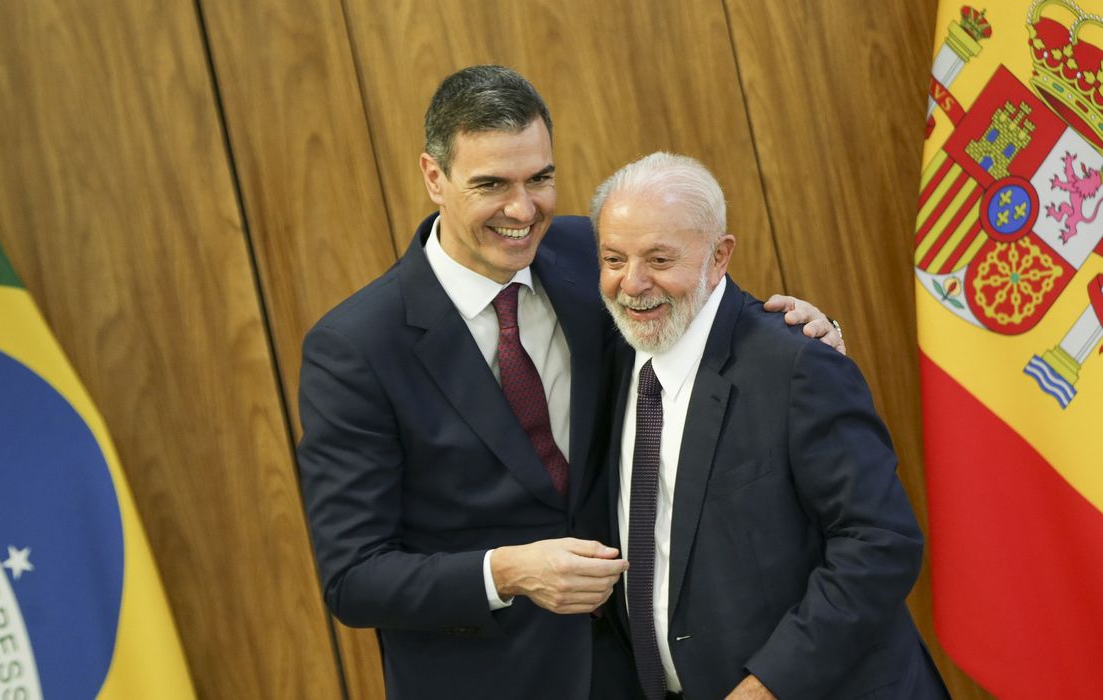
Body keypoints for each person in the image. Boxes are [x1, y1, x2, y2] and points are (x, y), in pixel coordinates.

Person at [296, 66, 840, 700]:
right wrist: (506, 572)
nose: (523, 211)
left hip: (640, 670)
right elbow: (353, 578)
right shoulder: (355, 347)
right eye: (492, 184)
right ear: (433, 177)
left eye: (540, 179)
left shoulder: (597, 252)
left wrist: (804, 331)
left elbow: (717, 329)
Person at [591, 152, 948, 700]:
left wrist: (769, 685)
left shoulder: (798, 364)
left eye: (660, 259)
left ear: (720, 256)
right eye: (613, 259)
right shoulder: (613, 361)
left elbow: (880, 543)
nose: (632, 283)